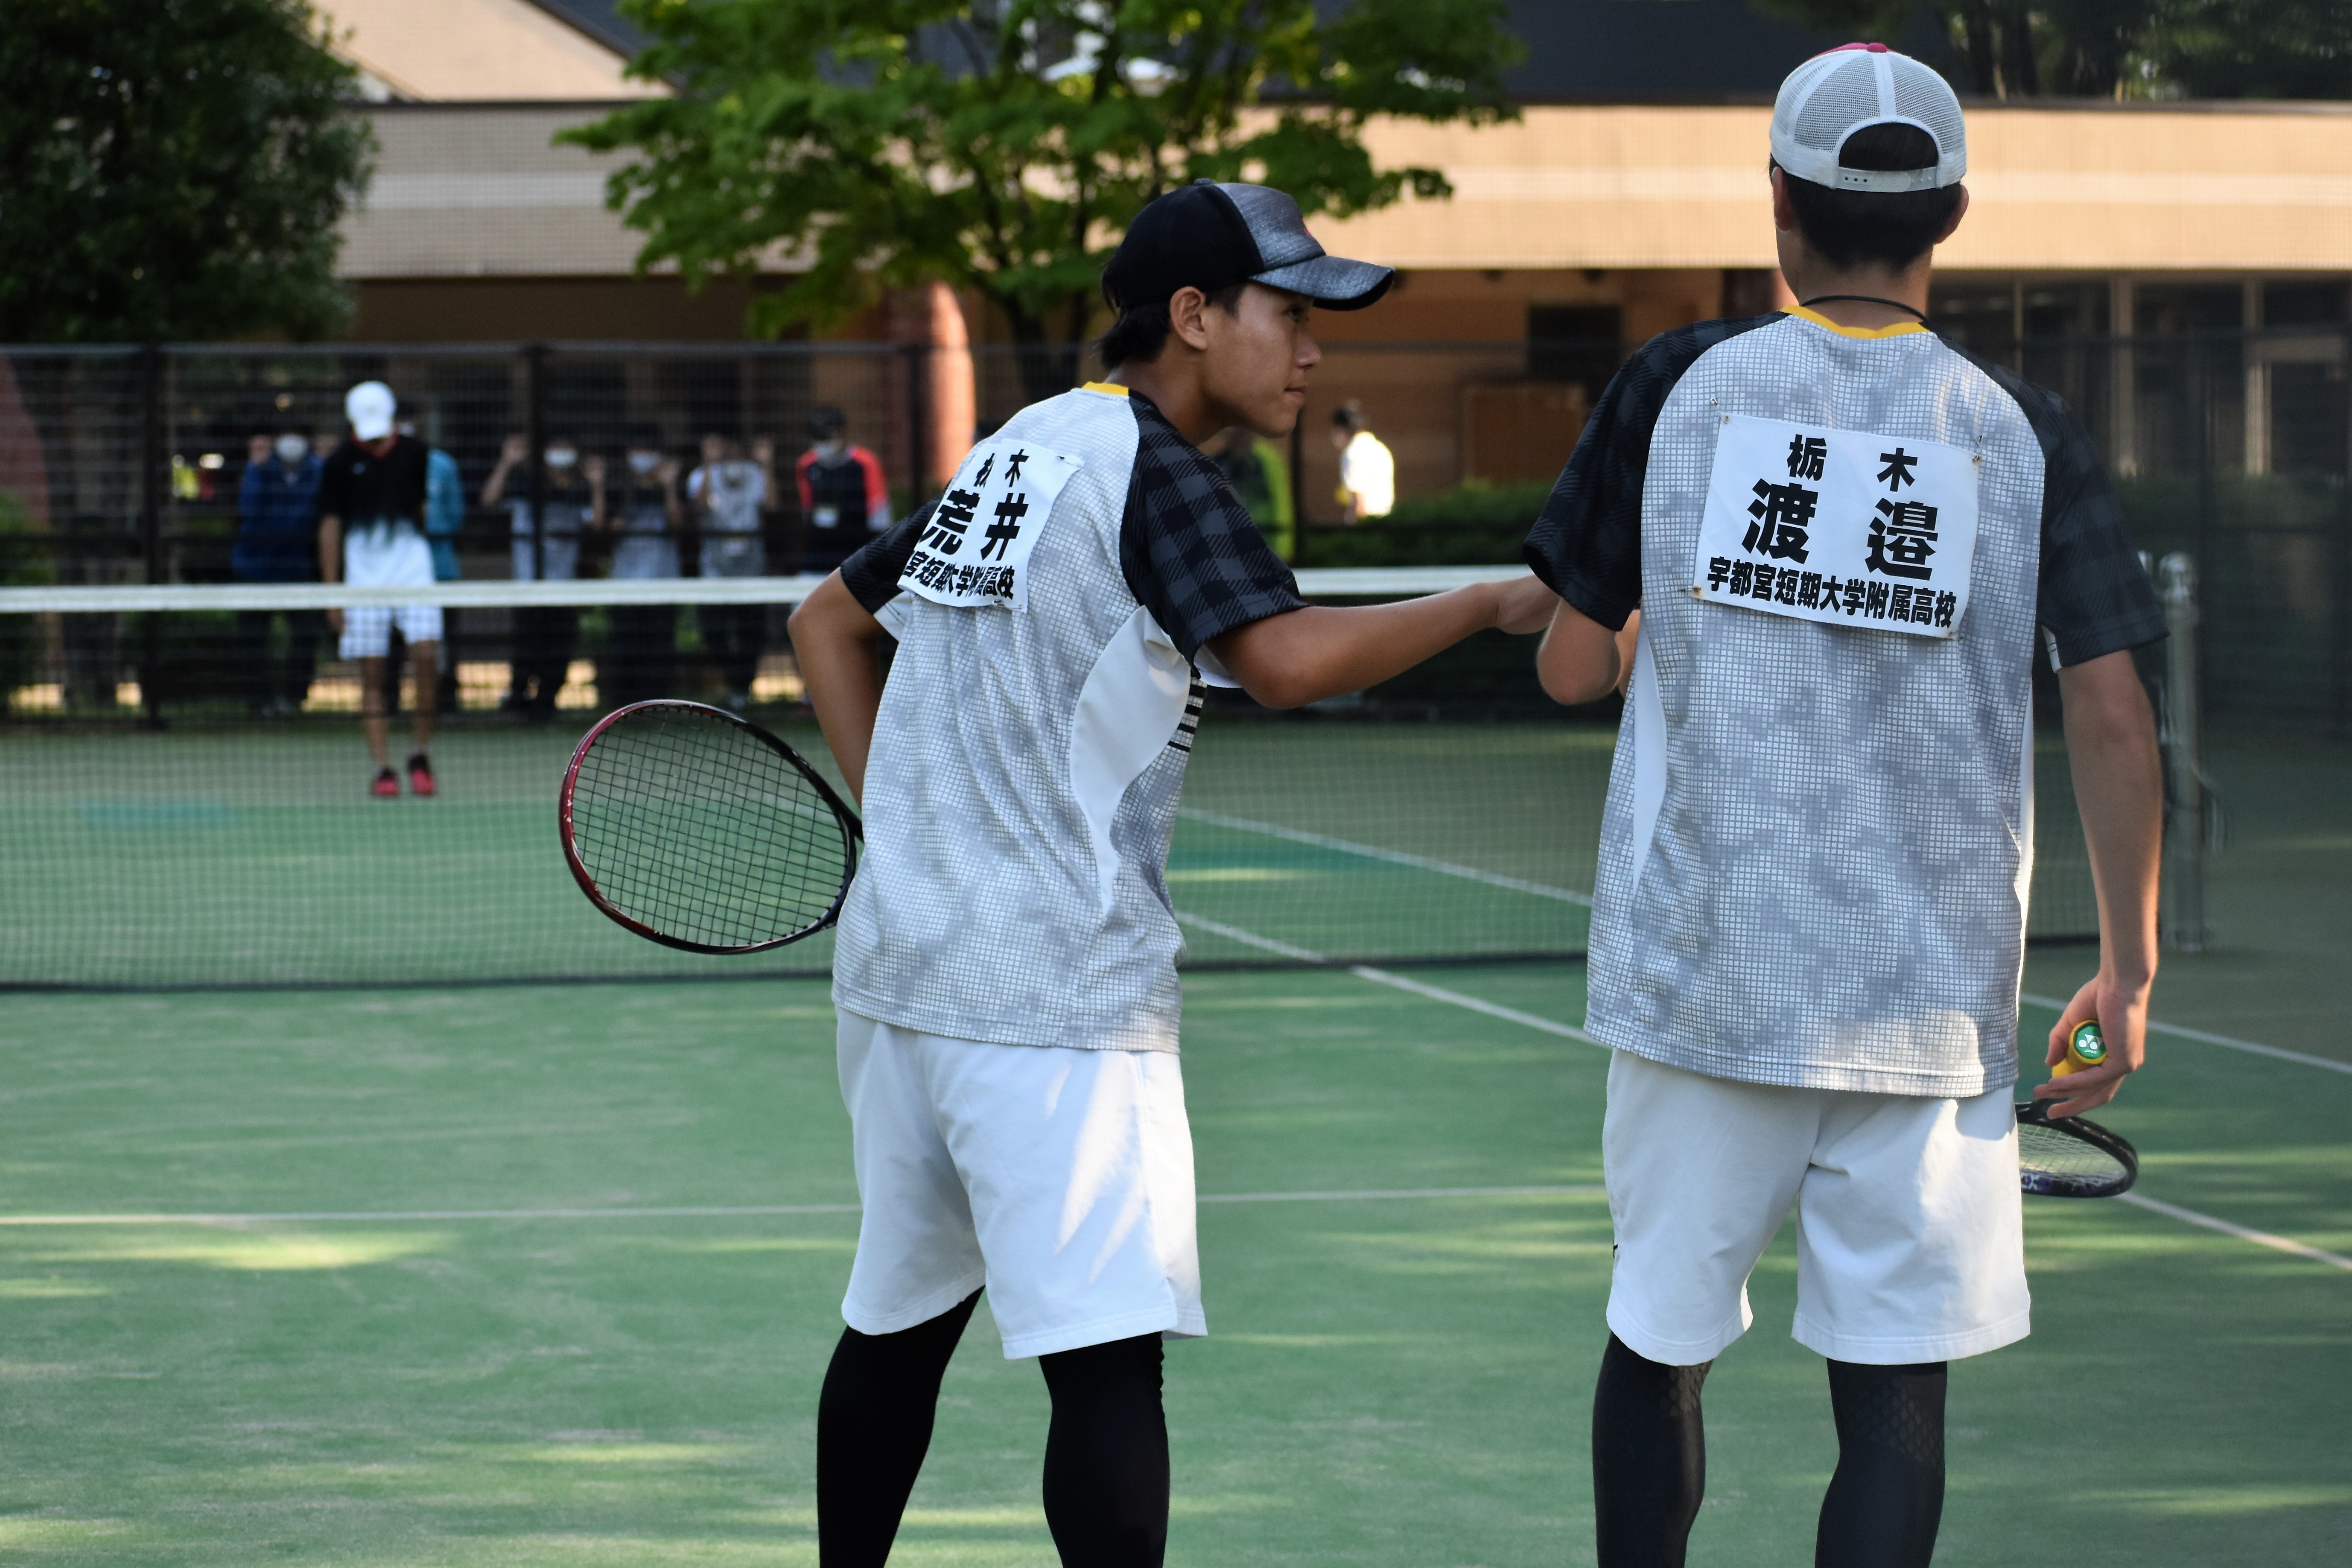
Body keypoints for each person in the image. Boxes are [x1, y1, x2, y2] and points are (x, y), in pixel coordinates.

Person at [786, 178, 1555, 1567]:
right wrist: (1492, 600)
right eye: (1290, 315)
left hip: (901, 981)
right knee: (1105, 1369)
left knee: (896, 1329)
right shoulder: (1161, 469)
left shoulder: (1022, 444)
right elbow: (1287, 663)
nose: (1313, 350)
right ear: (1193, 317)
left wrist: (902, 832)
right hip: (1055, 1000)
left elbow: (825, 623)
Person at [1520, 45, 2165, 1567]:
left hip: (1703, 982)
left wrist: (1646, 630)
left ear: (1777, 201)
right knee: (1890, 1398)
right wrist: (2127, 972)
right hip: (1925, 1006)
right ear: (1949, 214)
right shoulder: (2018, 427)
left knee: (1658, 1343)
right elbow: (2110, 708)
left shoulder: (1673, 383)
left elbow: (1566, 664)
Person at [316, 381, 440, 797]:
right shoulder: (338, 463)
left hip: (414, 575)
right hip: (364, 581)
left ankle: (419, 754)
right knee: (372, 673)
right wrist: (334, 595)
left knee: (427, 658)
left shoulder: (416, 453)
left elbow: (421, 509)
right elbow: (330, 526)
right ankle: (383, 767)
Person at [482, 432, 600, 722]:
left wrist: (598, 484)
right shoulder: (524, 486)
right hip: (528, 589)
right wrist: (506, 463)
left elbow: (598, 522)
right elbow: (489, 500)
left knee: (559, 651)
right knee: (525, 649)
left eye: (565, 447)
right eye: (555, 447)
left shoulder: (580, 491)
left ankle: (547, 706)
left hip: (563, 591)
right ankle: (518, 703)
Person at [233, 423, 323, 716]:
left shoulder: (317, 470)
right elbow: (248, 509)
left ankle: (293, 698)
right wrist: (255, 469)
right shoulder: (260, 469)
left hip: (297, 569)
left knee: (306, 634)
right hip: (255, 569)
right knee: (253, 639)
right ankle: (260, 702)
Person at [688, 432, 778, 711]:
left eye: (739, 455)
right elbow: (700, 506)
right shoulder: (701, 476)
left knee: (751, 632)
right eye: (727, 455)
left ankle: (743, 689)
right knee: (715, 632)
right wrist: (708, 465)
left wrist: (766, 465)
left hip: (752, 570)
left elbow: (772, 505)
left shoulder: (755, 473)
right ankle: (732, 683)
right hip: (714, 571)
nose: (733, 461)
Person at [603, 426, 684, 707]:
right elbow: (603, 532)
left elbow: (679, 525)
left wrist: (669, 486)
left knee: (660, 650)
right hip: (625, 586)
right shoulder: (618, 490)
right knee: (626, 649)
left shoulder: (673, 488)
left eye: (648, 450)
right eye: (637, 450)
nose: (643, 457)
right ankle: (626, 708)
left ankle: (658, 706)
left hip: (663, 584)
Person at [795, 406, 894, 577]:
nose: (824, 445)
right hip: (819, 550)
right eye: (819, 439)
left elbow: (879, 512)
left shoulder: (865, 462)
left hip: (856, 549)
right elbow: (807, 507)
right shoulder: (806, 464)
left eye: (828, 438)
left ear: (841, 434)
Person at [1210, 426, 1295, 559]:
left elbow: (1282, 503)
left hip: (1267, 544)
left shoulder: (1267, 459)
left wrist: (1284, 549)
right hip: (1230, 548)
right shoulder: (1218, 462)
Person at [1330, 400, 1393, 521]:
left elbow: (1359, 503)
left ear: (1344, 428)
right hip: (1386, 521)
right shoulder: (1380, 448)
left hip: (1368, 523)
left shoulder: (1352, 453)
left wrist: (1358, 526)